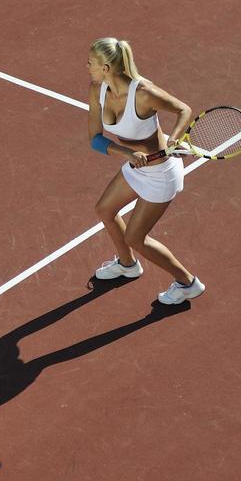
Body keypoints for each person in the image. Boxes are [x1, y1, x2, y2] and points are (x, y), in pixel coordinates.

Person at [85, 38, 204, 304]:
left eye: (91, 62)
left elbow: (183, 109)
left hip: (161, 173)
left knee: (136, 238)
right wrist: (127, 154)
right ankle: (127, 266)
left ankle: (187, 283)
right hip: (137, 166)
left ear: (106, 67)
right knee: (104, 210)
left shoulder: (143, 93)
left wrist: (174, 138)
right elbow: (95, 138)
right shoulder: (97, 90)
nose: (87, 66)